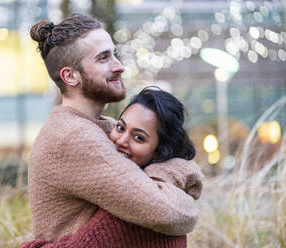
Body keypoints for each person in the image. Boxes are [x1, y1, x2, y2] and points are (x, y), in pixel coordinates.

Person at [27, 14, 200, 244]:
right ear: (70, 76)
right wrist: (174, 175)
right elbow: (170, 213)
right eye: (103, 58)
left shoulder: (102, 128)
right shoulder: (74, 136)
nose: (119, 66)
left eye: (114, 54)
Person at [22, 87, 203, 247]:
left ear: (158, 152)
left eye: (139, 138)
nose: (121, 141)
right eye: (120, 127)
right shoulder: (162, 192)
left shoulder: (142, 206)